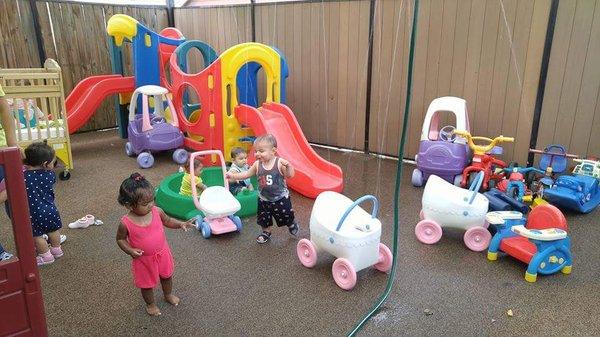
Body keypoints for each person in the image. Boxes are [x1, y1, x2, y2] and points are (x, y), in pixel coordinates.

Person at [116, 173, 195, 316]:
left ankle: (168, 294)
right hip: (143, 259)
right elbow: (120, 239)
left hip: (162, 253)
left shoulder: (157, 211)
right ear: (129, 205)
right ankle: (150, 304)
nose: (151, 205)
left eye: (152, 200)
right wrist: (130, 250)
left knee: (167, 276)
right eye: (145, 204)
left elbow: (168, 221)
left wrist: (181, 224)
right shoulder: (125, 223)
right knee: (146, 285)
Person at [226, 134, 299, 244]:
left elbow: (290, 175)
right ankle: (266, 232)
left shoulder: (279, 163)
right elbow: (246, 174)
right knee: (263, 218)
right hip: (263, 198)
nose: (257, 154)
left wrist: (288, 166)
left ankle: (291, 223)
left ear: (273, 151)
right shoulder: (257, 164)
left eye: (261, 151)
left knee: (285, 215)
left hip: (280, 198)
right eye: (256, 151)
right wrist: (233, 176)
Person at [22, 142, 64, 265]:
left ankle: (45, 256)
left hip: (34, 211)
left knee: (37, 236)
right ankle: (56, 250)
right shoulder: (50, 175)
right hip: (51, 209)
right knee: (53, 230)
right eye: (53, 162)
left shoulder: (24, 177)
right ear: (45, 164)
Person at [0, 83, 17, 261]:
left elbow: (3, 108)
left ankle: (31, 236)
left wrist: (12, 144)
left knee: (15, 199)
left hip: (1, 150)